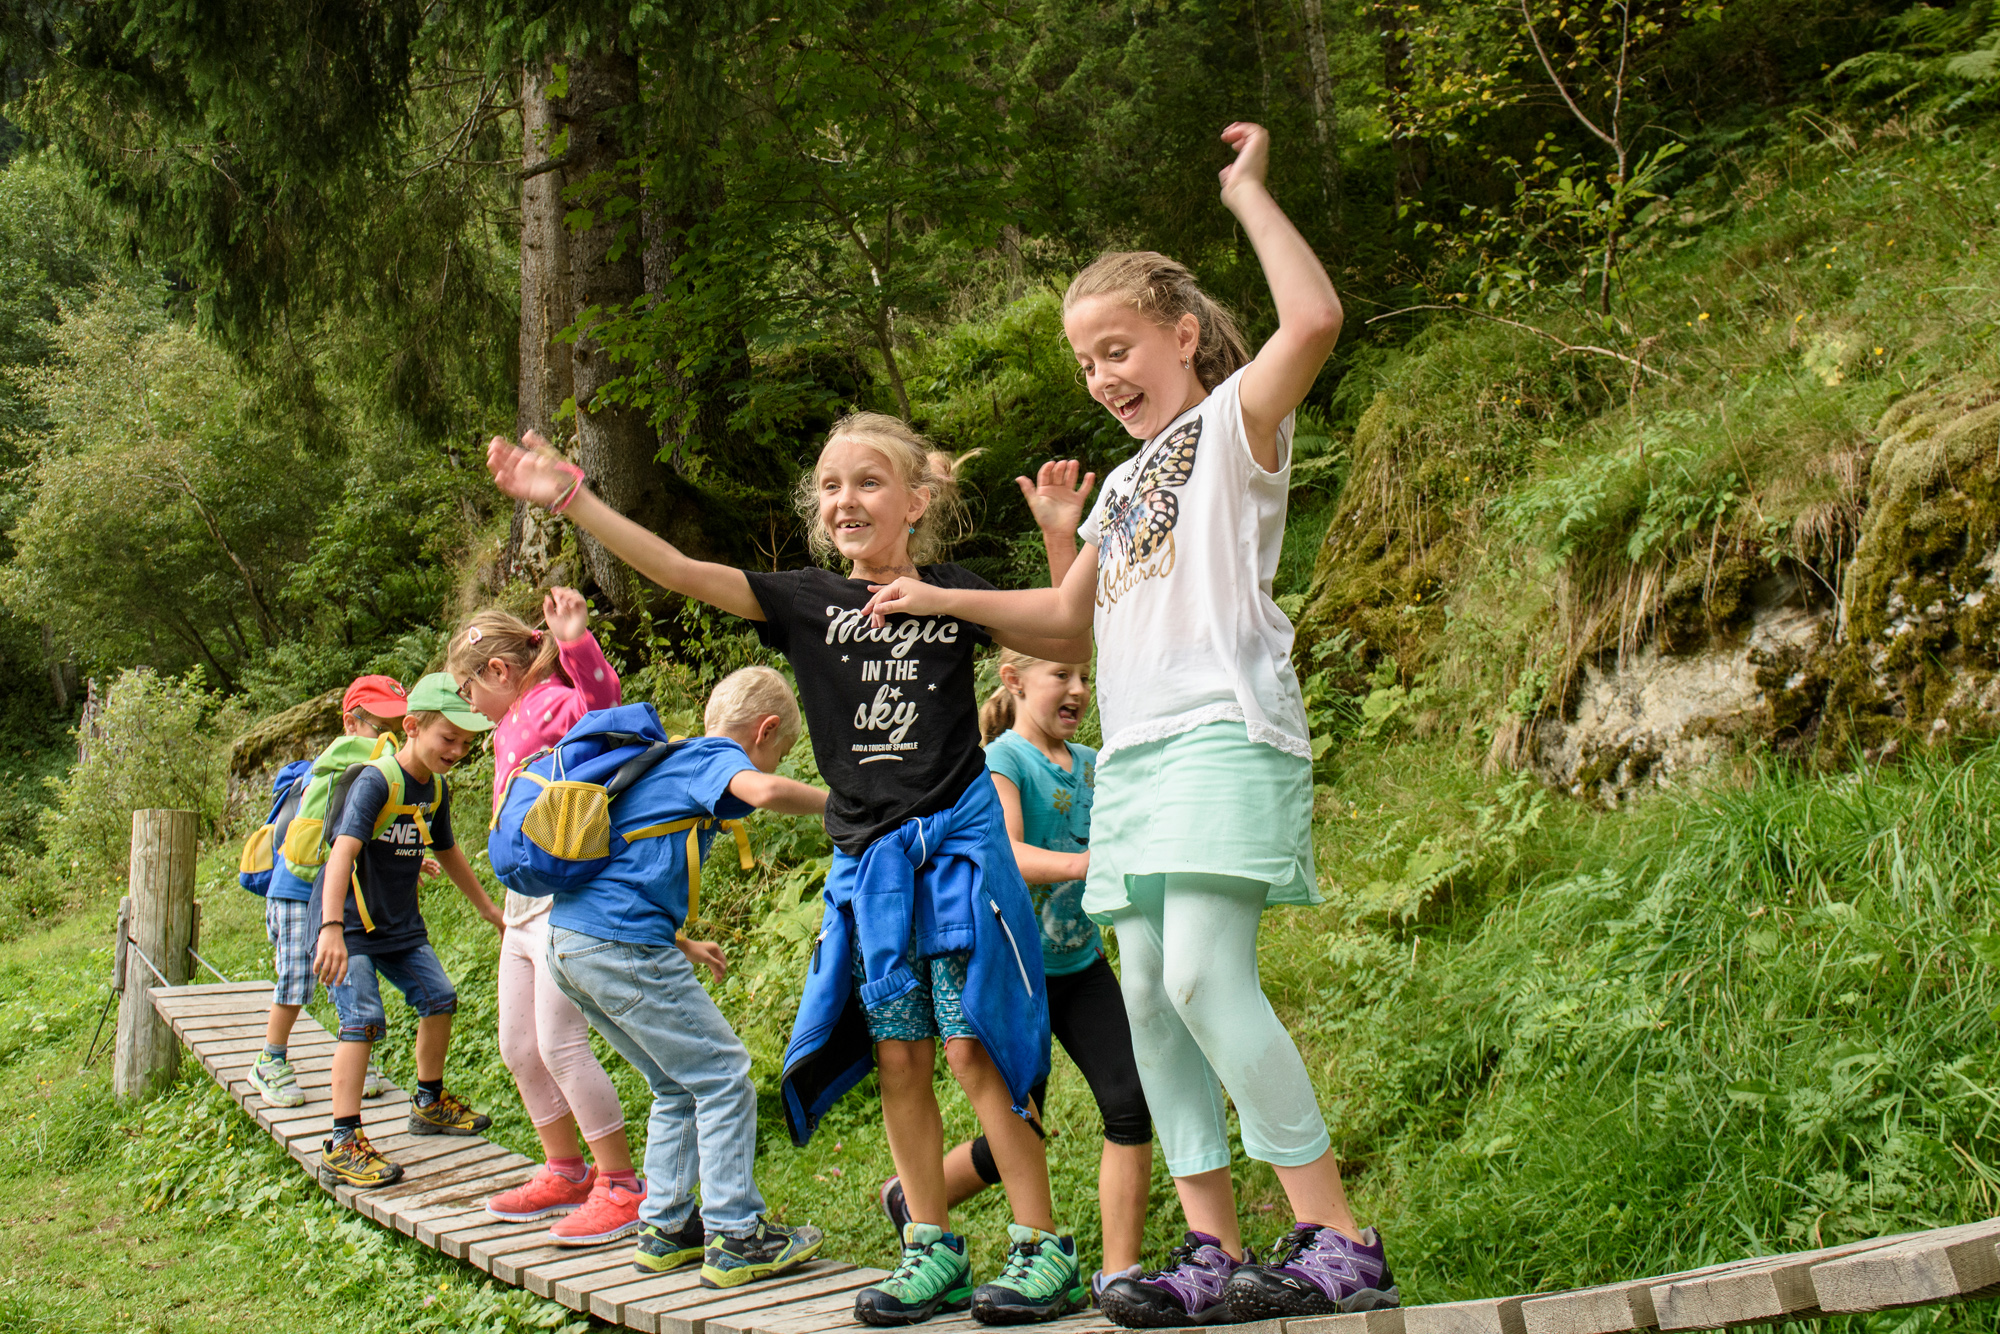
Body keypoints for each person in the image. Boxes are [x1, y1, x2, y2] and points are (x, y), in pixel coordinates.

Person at [860, 123, 1399, 1326]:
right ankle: (1210, 1245)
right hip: (1141, 757)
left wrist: (1247, 195)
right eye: (1085, 361)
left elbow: (1311, 321)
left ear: (1184, 335)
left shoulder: (1230, 429)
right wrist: (943, 594)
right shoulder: (1120, 480)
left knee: (1208, 973)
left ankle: (1337, 1231)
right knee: (1151, 996)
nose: (1102, 374)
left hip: (1222, 727)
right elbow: (1066, 626)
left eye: (1120, 347)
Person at [484, 416, 1095, 1325]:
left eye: (868, 483)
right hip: (873, 869)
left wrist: (1053, 537)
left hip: (960, 854)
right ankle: (931, 1247)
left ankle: (1041, 1246)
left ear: (917, 502)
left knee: (977, 1050)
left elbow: (1065, 636)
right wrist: (576, 498)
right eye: (830, 485)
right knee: (900, 1059)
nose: (844, 499)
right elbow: (682, 571)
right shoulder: (808, 601)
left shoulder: (956, 593)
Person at [502, 668, 827, 1289]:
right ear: (764, 730)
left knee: (676, 1085)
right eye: (780, 748)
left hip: (570, 945)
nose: (773, 757)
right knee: (724, 1073)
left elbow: (626, 858)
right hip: (617, 946)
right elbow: (760, 792)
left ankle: (668, 1226)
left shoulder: (665, 761)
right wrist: (847, 809)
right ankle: (736, 1234)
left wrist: (679, 940)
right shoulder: (713, 757)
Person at [880, 647, 1155, 1301]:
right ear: (1015, 680)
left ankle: (1118, 1274)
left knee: (1128, 1103)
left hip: (1080, 965)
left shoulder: (1090, 764)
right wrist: (1081, 866)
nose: (1078, 689)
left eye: (1085, 676)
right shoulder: (1002, 757)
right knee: (1021, 1118)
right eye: (1062, 675)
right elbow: (1001, 851)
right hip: (1013, 971)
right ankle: (921, 1198)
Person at [446, 590, 646, 1245]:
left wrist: (575, 640)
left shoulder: (555, 700)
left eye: (467, 687)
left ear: (499, 672)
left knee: (561, 1045)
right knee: (517, 1046)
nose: (465, 702)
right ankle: (566, 1170)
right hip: (520, 904)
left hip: (565, 896)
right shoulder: (507, 722)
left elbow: (605, 706)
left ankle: (620, 1185)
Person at [311, 673, 507, 1190]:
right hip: (349, 923)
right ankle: (343, 1141)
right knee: (364, 1019)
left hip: (397, 923)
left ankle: (428, 1102)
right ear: (413, 726)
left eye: (467, 743)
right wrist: (330, 928)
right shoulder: (377, 780)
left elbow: (448, 852)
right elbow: (341, 854)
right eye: (449, 739)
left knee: (439, 996)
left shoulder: (435, 788)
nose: (458, 750)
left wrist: (489, 910)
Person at [247, 674, 408, 1109]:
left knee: (350, 974)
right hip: (296, 887)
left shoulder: (368, 759)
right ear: (351, 723)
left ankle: (356, 1056)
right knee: (298, 978)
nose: (390, 736)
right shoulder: (346, 754)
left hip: (335, 889)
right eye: (381, 725)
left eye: (398, 725)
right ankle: (269, 1060)